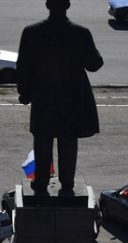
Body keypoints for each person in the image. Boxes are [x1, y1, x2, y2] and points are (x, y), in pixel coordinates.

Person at [16, 0, 103, 197]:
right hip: (71, 100)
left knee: (42, 143)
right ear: (68, 6)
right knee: (68, 144)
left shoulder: (31, 32)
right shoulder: (81, 33)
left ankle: (41, 185)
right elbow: (94, 64)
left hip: (43, 99)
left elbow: (23, 67)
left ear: (48, 6)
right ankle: (67, 186)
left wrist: (24, 93)